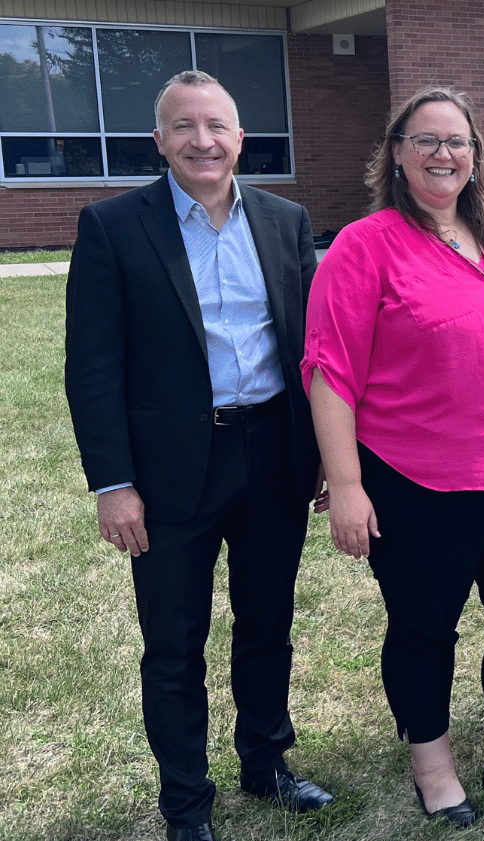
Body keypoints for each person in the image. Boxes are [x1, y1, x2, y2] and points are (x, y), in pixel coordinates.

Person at [304, 86, 484, 828]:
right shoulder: (366, 245)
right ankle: (434, 768)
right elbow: (330, 368)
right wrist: (345, 483)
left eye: (457, 141)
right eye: (426, 140)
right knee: (425, 626)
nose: (443, 154)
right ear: (396, 155)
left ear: (477, 156)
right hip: (416, 478)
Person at [63, 70, 334, 841]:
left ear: (241, 138)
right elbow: (92, 367)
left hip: (272, 452)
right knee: (175, 643)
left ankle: (267, 760)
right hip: (172, 467)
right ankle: (186, 800)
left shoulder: (285, 221)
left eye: (217, 125)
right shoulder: (114, 225)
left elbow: (311, 351)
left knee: (267, 622)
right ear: (160, 141)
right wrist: (114, 483)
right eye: (185, 127)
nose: (203, 141)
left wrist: (322, 455)